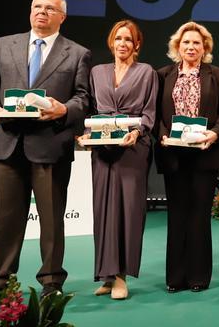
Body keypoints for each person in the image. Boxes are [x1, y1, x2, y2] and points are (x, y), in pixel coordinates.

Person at [0, 0, 91, 305]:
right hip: (8, 142)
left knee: (52, 220)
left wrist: (64, 110)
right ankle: (0, 282)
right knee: (6, 219)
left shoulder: (77, 53)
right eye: (37, 6)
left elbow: (83, 99)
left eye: (50, 8)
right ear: (30, 11)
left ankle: (51, 281)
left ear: (61, 16)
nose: (41, 12)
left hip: (50, 145)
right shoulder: (3, 44)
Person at [83, 20, 157, 300]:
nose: (123, 43)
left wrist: (137, 132)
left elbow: (149, 112)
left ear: (137, 45)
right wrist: (86, 135)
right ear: (111, 42)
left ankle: (122, 276)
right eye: (118, 38)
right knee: (103, 210)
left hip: (132, 148)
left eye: (128, 39)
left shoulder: (146, 72)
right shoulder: (96, 72)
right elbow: (90, 111)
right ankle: (105, 274)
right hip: (102, 148)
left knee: (128, 211)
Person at [155, 21, 219, 292]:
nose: (191, 46)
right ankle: (175, 278)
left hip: (204, 155)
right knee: (176, 216)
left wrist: (215, 134)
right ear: (177, 46)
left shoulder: (216, 75)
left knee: (199, 216)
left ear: (205, 48)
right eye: (186, 42)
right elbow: (157, 115)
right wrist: (163, 135)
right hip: (174, 155)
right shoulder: (163, 74)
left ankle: (198, 277)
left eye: (196, 43)